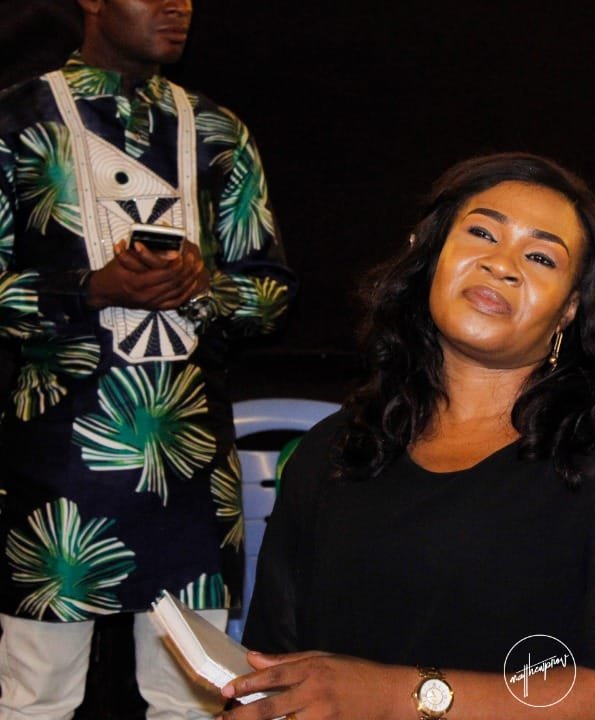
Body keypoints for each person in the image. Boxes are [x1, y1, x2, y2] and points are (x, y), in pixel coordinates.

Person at [233, 154, 595, 720]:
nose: (502, 265)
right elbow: (276, 668)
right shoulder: (334, 450)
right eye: (481, 233)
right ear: (431, 256)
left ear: (569, 310)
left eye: (541, 257)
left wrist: (395, 697)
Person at [0, 1, 294, 717]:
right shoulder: (16, 122)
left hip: (192, 475)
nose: (177, 5)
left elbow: (271, 294)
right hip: (57, 472)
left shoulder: (218, 130)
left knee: (194, 701)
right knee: (34, 700)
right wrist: (88, 289)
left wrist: (204, 286)